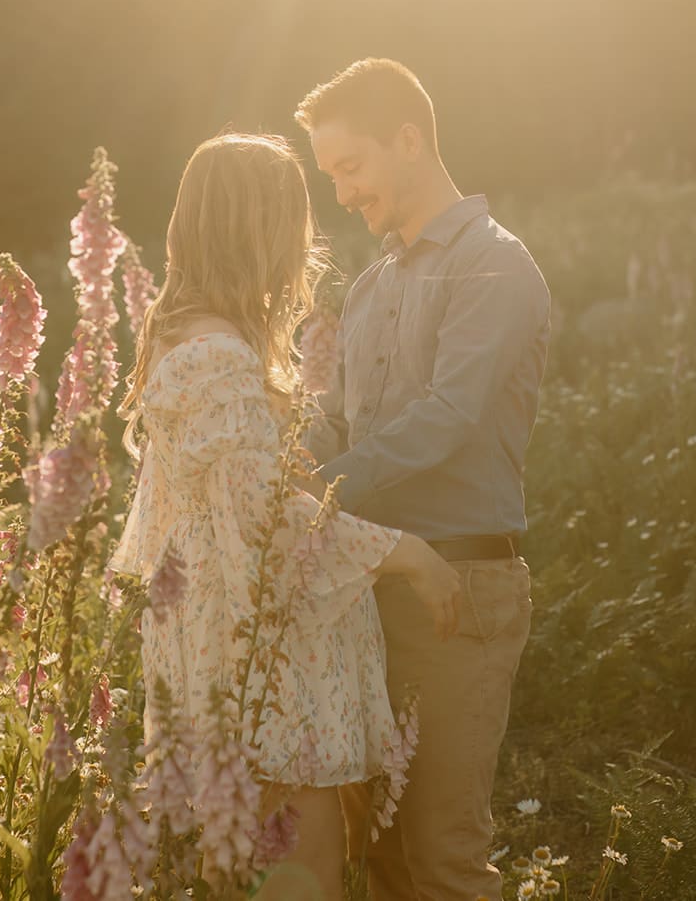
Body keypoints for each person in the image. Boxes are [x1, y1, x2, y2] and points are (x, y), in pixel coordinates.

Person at [108, 132, 463, 900]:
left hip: (228, 662)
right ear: (259, 230)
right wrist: (407, 551)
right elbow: (264, 523)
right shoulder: (216, 355)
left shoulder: (193, 338)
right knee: (301, 875)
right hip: (257, 678)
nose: (307, 243)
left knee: (241, 875)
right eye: (294, 221)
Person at [294, 58, 552, 901]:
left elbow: (448, 414)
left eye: (351, 167)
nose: (341, 192)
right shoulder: (371, 285)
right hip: (370, 587)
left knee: (443, 858)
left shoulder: (496, 265)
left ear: (409, 139)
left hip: (458, 594)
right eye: (330, 174)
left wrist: (323, 489)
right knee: (384, 859)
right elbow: (338, 419)